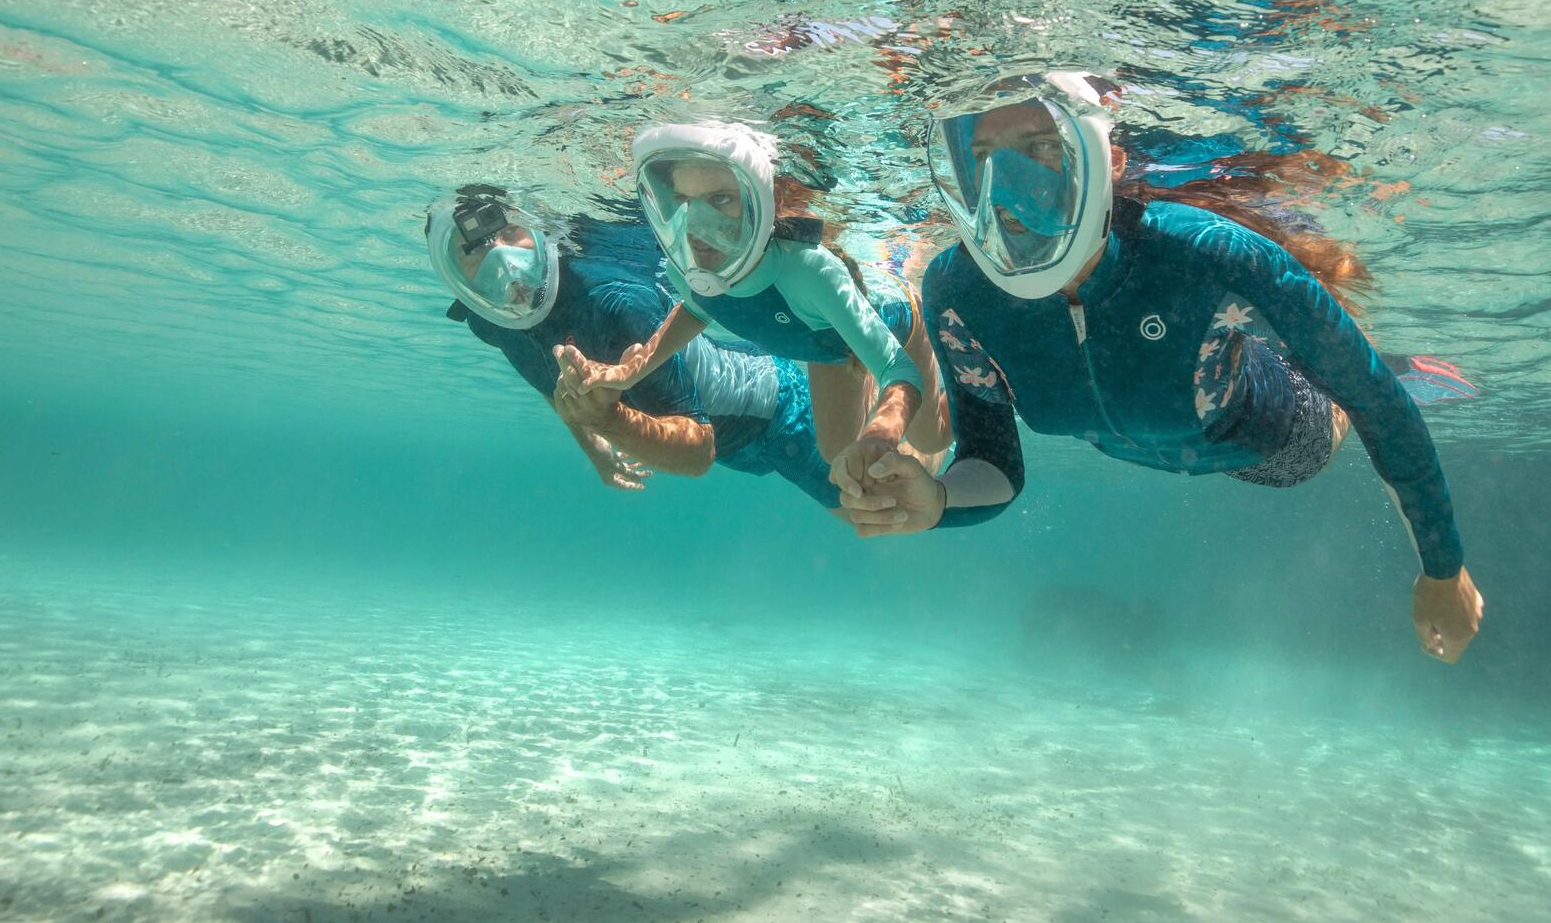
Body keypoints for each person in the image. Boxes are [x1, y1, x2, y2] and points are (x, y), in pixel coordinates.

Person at [832, 73, 1484, 664]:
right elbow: (992, 460)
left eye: (1041, 150)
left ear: (1109, 159)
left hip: (1274, 442)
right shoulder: (958, 290)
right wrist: (938, 498)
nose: (1009, 194)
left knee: (1338, 398)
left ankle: (1344, 361)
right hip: (1152, 437)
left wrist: (1442, 570)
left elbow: (1379, 405)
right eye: (983, 161)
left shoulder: (1210, 256)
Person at [554, 121, 951, 486]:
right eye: (682, 201)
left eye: (721, 199)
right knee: (834, 453)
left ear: (762, 202)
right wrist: (626, 374)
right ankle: (868, 380)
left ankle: (967, 378)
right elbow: (698, 308)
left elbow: (897, 370)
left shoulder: (808, 272)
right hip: (826, 342)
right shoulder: (689, 266)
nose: (695, 225)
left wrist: (883, 433)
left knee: (931, 439)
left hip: (900, 322)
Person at [426, 188, 839, 509]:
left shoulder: (612, 301)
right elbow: (552, 380)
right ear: (450, 270)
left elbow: (698, 452)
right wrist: (597, 449)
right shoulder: (490, 320)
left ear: (536, 227)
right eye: (472, 248)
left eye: (509, 231)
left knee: (879, 506)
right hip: (740, 445)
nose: (499, 254)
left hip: (778, 412)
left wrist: (609, 423)